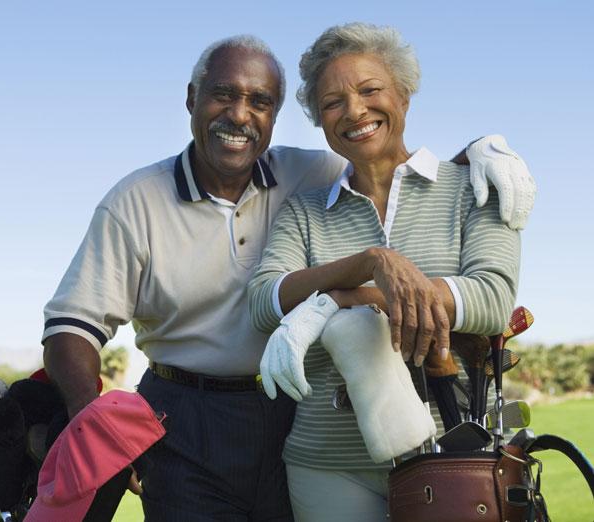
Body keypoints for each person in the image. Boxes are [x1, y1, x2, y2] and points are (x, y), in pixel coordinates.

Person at [42, 34, 533, 520]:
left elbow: (391, 154)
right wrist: (93, 429)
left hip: (283, 408)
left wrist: (483, 147)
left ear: (274, 117)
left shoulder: (313, 171)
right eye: (223, 94)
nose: (239, 115)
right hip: (184, 415)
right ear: (192, 98)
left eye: (259, 101)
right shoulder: (139, 200)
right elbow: (73, 325)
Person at [248, 23, 522, 521]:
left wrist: (339, 299)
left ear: (404, 95)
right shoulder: (304, 211)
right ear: (319, 119)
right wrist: (373, 262)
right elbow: (265, 302)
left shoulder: (472, 188)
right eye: (332, 102)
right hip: (326, 464)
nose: (354, 111)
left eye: (370, 90)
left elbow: (489, 299)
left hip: (452, 454)